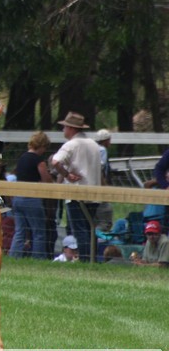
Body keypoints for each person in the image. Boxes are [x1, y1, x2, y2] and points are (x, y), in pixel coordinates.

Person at [51, 111, 102, 262]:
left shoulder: (71, 145)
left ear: (72, 129)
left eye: (65, 127)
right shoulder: (94, 145)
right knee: (90, 228)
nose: (63, 130)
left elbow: (55, 162)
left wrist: (66, 175)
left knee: (79, 230)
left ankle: (85, 260)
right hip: (94, 193)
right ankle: (93, 259)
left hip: (76, 193)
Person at [9, 131, 53, 259]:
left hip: (18, 198)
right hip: (31, 199)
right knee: (38, 232)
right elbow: (46, 179)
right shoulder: (38, 160)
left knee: (20, 231)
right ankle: (39, 258)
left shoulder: (22, 157)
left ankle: (14, 256)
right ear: (42, 146)